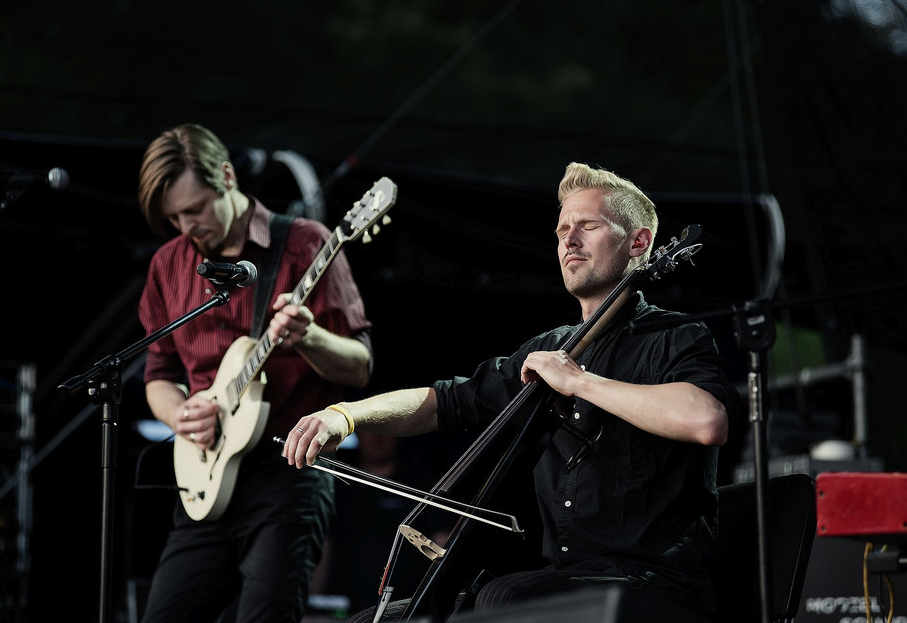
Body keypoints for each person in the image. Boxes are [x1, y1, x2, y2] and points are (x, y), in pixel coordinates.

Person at [284, 162, 741, 621]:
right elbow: (443, 402)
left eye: (588, 226)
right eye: (562, 229)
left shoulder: (677, 336)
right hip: (562, 579)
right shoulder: (546, 349)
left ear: (638, 243)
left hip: (654, 584)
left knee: (505, 598)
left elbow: (707, 420)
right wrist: (345, 415)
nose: (569, 240)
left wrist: (580, 382)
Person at [135, 123, 373, 623]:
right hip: (206, 475)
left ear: (226, 176)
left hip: (289, 472)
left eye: (195, 210)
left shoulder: (305, 244)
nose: (186, 227)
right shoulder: (168, 264)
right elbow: (158, 373)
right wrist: (182, 415)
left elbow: (360, 367)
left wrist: (308, 337)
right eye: (173, 217)